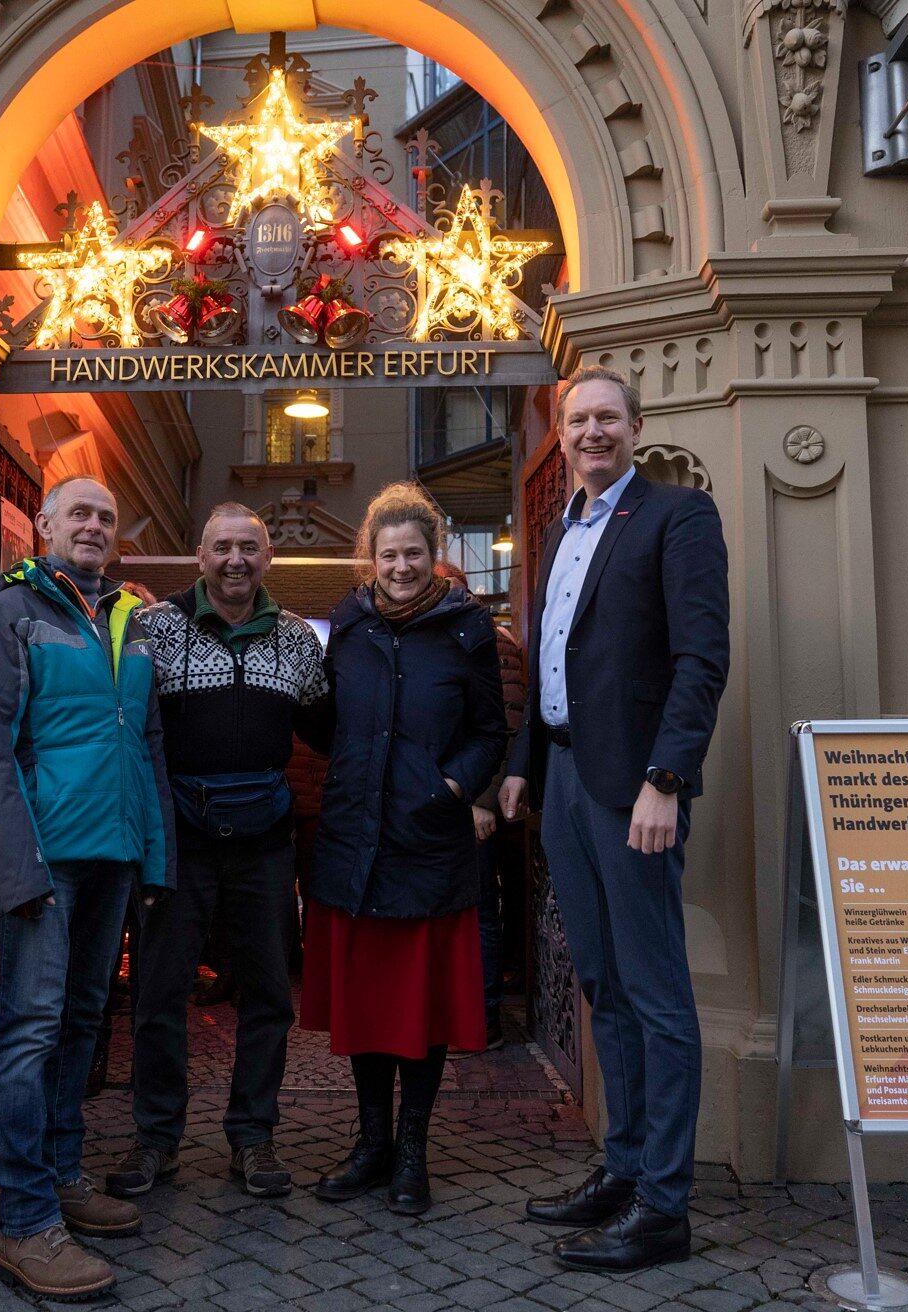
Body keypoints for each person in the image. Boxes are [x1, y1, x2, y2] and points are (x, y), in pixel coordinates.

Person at [497, 365, 729, 1272]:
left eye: (607, 418)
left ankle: (665, 1207)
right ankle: (625, 1171)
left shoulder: (677, 517)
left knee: (658, 994)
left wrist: (666, 778)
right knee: (603, 984)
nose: (592, 432)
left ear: (635, 426)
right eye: (577, 419)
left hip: (635, 790)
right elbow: (553, 660)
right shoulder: (563, 530)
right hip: (562, 781)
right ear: (562, 431)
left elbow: (700, 657)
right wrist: (523, 767)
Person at [0, 475, 177, 1301]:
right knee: (29, 1030)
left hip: (113, 854)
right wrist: (16, 872)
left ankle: (63, 1172)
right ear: (43, 525)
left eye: (106, 517)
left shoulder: (124, 619)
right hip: (45, 860)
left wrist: (155, 861)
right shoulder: (8, 615)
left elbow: (145, 746)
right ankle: (25, 1220)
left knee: (83, 1021)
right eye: (79, 513)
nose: (93, 526)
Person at [109, 504, 329, 1201]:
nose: (236, 560)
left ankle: (253, 1138)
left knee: (268, 995)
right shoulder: (155, 629)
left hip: (266, 841)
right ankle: (156, 1140)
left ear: (268, 559)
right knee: (159, 993)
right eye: (222, 548)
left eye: (249, 549)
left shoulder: (297, 641)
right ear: (199, 556)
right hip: (178, 840)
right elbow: (118, 724)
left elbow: (332, 733)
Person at [299, 483, 508, 1215]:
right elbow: (325, 724)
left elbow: (492, 731)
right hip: (356, 837)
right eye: (388, 555)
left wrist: (452, 787)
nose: (401, 567)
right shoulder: (349, 626)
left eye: (413, 554)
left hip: (427, 839)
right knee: (366, 1010)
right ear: (370, 558)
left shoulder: (466, 629)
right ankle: (371, 1146)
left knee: (418, 1013)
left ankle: (413, 1153)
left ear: (435, 555)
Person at [435, 560, 527, 1055]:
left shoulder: (492, 640)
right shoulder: (444, 636)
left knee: (477, 912)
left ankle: (483, 1019)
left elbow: (507, 724)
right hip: (444, 800)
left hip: (474, 804)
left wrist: (483, 800)